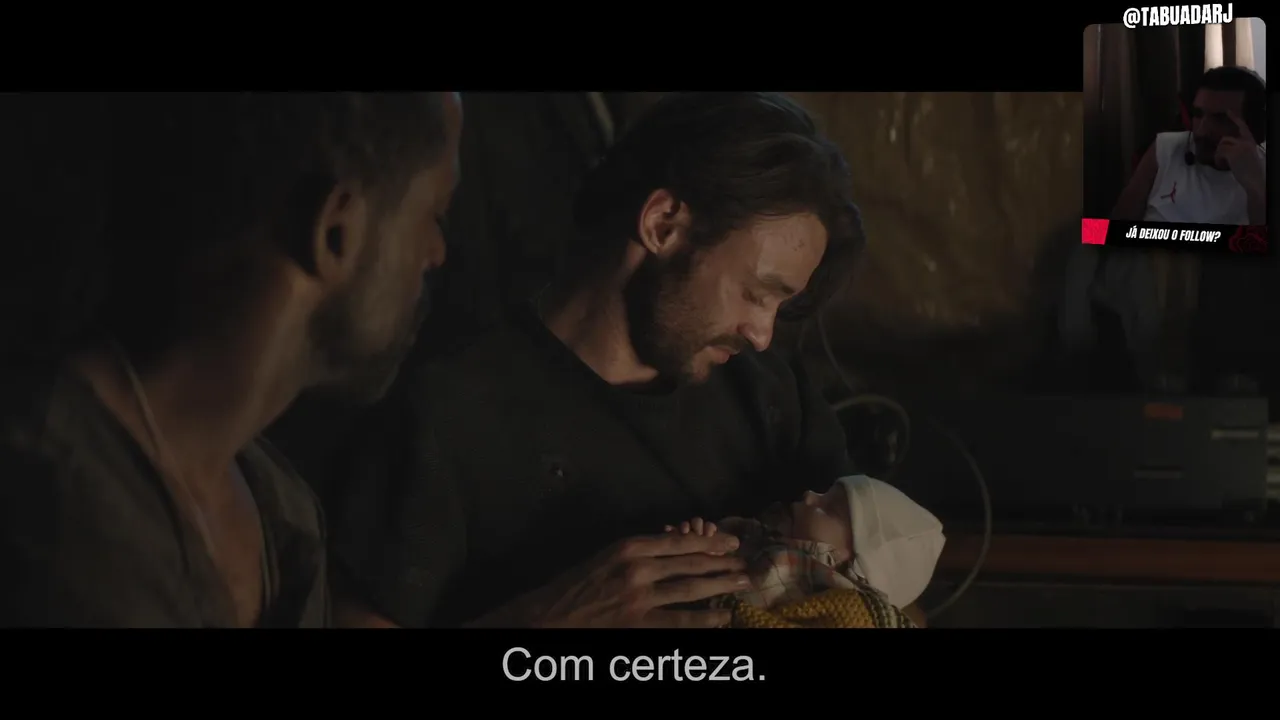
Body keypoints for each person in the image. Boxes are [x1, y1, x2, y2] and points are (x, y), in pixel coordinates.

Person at [333, 91, 866, 628]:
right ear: (662, 225)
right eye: (755, 292)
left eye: (780, 306)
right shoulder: (445, 418)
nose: (762, 334)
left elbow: (883, 589)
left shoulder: (771, 398)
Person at [0, 92, 461, 627]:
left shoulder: (278, 513)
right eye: (435, 214)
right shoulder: (58, 515)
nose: (437, 252)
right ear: (337, 230)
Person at [665, 475, 944, 628]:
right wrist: (702, 542)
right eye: (823, 493)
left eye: (829, 508)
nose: (809, 495)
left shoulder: (843, 602)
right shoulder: (757, 534)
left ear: (855, 564)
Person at [1111, 66, 1267, 225]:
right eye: (1198, 114)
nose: (1202, 131)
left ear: (1254, 128)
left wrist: (1255, 187)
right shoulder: (1166, 148)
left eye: (1220, 119)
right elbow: (1112, 228)